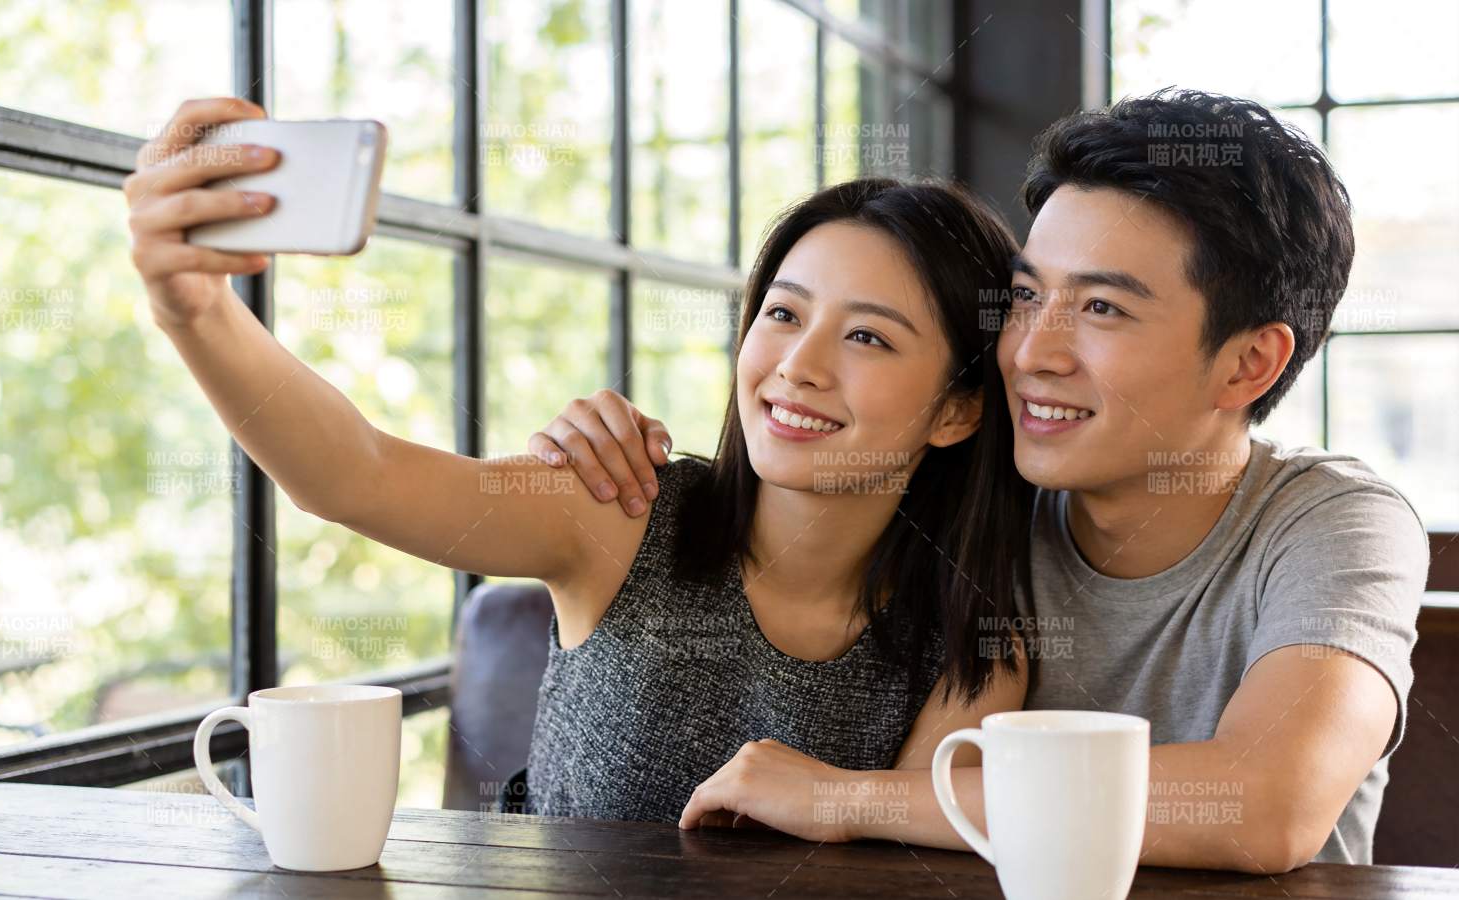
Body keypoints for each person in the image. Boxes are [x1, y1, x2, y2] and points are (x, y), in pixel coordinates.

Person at [527, 89, 1428, 871]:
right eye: (1028, 296)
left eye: (1104, 308)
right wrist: (599, 452)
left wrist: (851, 800)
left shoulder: (1337, 524)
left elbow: (1264, 803)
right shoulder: (966, 507)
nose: (1032, 352)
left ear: (1248, 365)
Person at [123, 97, 1036, 827]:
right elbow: (353, 475)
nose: (797, 366)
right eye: (783, 314)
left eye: (869, 336)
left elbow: (927, 864)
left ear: (956, 410)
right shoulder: (621, 508)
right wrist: (195, 309)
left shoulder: (968, 644)